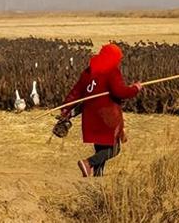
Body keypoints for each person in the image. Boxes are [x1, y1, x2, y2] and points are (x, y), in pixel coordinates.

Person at [59, 43, 142, 177]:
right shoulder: (111, 70)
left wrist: (66, 109)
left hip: (91, 117)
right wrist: (135, 89)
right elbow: (120, 91)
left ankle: (98, 179)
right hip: (107, 117)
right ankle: (88, 163)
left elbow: (76, 92)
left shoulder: (88, 71)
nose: (119, 61)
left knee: (101, 148)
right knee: (114, 149)